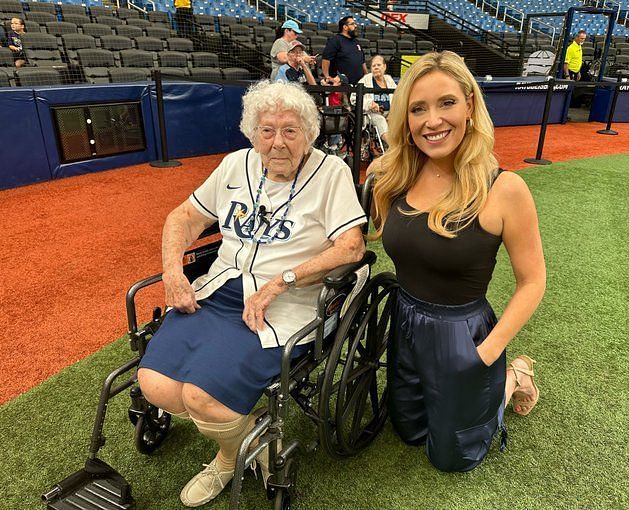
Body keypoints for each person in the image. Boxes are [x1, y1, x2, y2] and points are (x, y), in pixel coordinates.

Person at [137, 80, 367, 507]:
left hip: (287, 302)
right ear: (252, 132)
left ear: (309, 133)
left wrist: (282, 282)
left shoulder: (330, 172)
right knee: (154, 384)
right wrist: (173, 273)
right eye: (267, 130)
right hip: (221, 288)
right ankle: (250, 440)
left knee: (202, 397)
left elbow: (351, 246)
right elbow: (183, 217)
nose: (277, 142)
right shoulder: (234, 166)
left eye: (290, 130)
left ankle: (228, 458)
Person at [370, 51, 546, 473]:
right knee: (408, 431)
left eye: (446, 103)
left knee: (451, 458)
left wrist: (488, 351)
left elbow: (533, 281)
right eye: (418, 109)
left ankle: (512, 378)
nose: (432, 121)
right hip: (405, 320)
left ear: (469, 104)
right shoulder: (392, 176)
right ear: (405, 119)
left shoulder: (504, 189)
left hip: (463, 334)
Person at [357, 54, 397, 144]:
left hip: (389, 113)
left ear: (384, 67)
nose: (376, 67)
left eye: (378, 65)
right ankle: (394, 146)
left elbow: (398, 97)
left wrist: (393, 113)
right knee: (380, 120)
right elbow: (354, 98)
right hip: (373, 114)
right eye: (373, 66)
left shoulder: (389, 79)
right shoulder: (365, 79)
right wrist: (369, 104)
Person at [321, 16, 368, 85]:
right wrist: (327, 77)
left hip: (359, 84)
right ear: (345, 27)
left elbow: (362, 61)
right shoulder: (335, 40)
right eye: (352, 24)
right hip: (342, 84)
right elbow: (325, 59)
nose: (355, 26)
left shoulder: (356, 42)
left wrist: (367, 77)